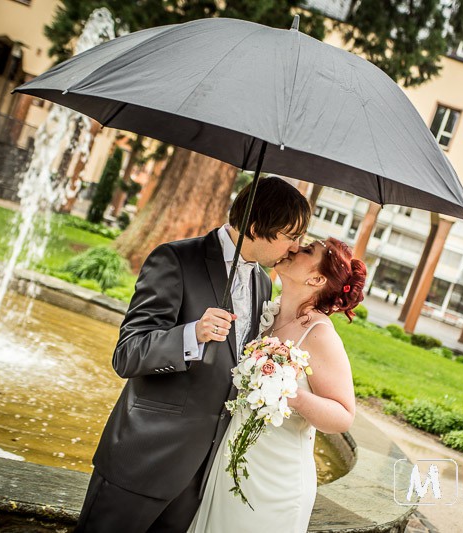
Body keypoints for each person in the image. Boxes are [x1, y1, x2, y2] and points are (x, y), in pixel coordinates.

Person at [76, 177, 311, 533]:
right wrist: (191, 335)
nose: (296, 247)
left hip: (202, 474)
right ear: (254, 227)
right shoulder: (176, 259)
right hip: (145, 457)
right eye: (290, 236)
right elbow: (127, 354)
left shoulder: (263, 283)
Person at [188, 237, 367, 533]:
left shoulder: (319, 334)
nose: (295, 248)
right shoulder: (265, 313)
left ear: (316, 278)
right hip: (232, 461)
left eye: (308, 251)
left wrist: (289, 392)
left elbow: (343, 416)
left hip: (275, 480)